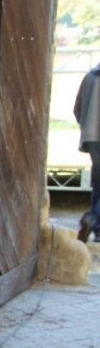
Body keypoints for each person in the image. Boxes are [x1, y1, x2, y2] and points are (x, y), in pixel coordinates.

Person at [74, 61, 100, 242]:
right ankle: (92, 218)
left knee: (98, 184)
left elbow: (77, 108)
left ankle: (97, 229)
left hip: (90, 138)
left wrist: (86, 127)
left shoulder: (89, 76)